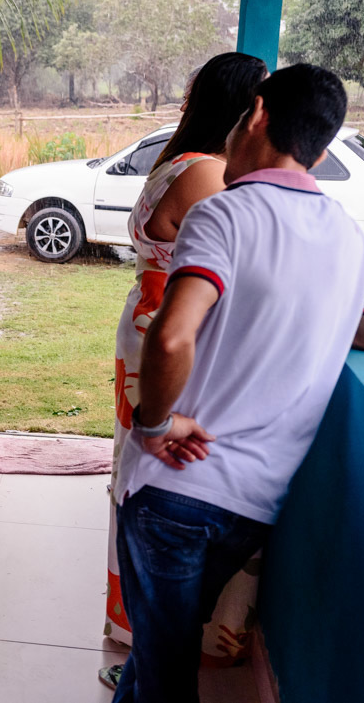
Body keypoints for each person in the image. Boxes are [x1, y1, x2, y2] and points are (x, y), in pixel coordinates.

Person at [109, 63, 364, 703]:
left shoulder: (224, 216)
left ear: (257, 114)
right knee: (161, 657)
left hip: (175, 490)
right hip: (255, 505)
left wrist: (155, 425)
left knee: (163, 671)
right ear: (322, 151)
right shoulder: (353, 243)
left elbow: (174, 335)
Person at [104, 52, 268, 671]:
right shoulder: (207, 173)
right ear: (245, 110)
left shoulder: (175, 160)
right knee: (167, 469)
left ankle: (134, 622)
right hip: (176, 332)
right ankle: (163, 630)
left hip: (150, 321)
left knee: (139, 469)